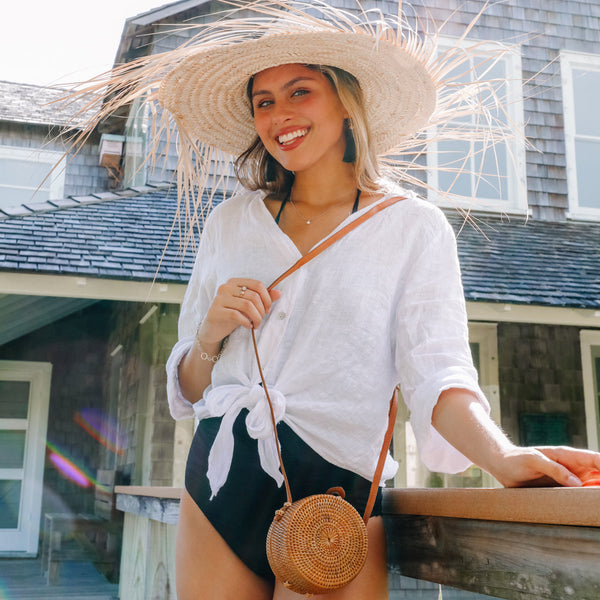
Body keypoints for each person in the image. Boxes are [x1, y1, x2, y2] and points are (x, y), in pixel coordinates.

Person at [68, 2, 600, 598]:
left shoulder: (413, 228)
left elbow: (439, 375)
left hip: (338, 495)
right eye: (263, 101)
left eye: (300, 91)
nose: (280, 115)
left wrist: (503, 459)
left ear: (346, 99)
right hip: (220, 479)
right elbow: (191, 391)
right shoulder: (230, 223)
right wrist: (210, 338)